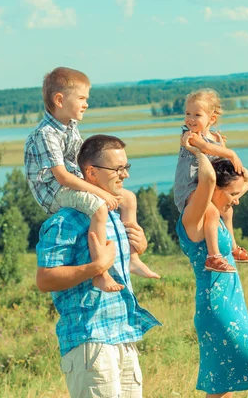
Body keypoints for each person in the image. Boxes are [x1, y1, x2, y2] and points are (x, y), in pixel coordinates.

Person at [36, 134, 161, 397]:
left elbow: (121, 265)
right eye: (117, 169)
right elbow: (44, 279)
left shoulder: (113, 215)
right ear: (91, 172)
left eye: (126, 167)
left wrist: (138, 248)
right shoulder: (66, 221)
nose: (124, 175)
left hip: (123, 335)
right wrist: (95, 268)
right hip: (90, 342)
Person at [25, 67, 159, 293]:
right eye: (82, 98)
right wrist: (101, 193)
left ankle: (133, 257)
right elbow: (62, 176)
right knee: (98, 208)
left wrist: (105, 188)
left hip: (69, 183)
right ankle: (101, 273)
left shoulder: (71, 128)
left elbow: (81, 163)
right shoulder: (45, 133)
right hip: (53, 191)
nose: (86, 103)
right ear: (59, 100)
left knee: (128, 198)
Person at [176, 132, 248, 397]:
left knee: (220, 390)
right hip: (219, 311)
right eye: (232, 194)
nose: (237, 199)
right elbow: (210, 179)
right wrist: (200, 150)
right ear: (212, 191)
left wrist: (226, 153)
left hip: (233, 306)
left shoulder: (219, 212)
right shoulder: (195, 219)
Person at [174, 88, 248, 273]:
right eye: (187, 113)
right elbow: (206, 148)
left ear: (211, 119)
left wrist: (222, 146)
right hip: (189, 188)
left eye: (197, 114)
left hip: (207, 187)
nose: (190, 119)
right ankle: (213, 257)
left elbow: (216, 158)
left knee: (227, 213)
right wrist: (230, 152)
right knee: (211, 212)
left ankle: (234, 248)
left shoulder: (215, 138)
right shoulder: (190, 136)